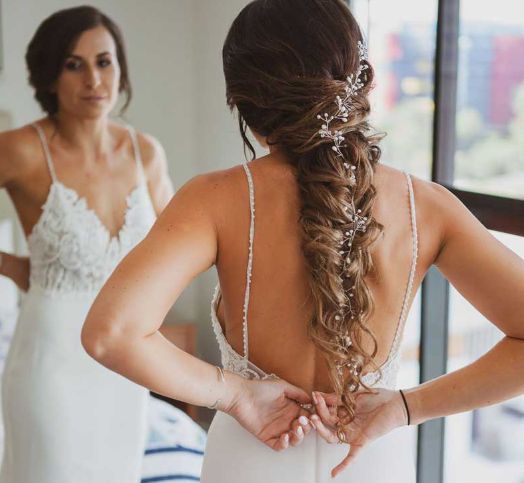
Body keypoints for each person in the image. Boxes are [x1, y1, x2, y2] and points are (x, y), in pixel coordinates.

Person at [81, 0, 524, 482]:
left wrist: (236, 394)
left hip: (249, 457)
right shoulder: (428, 207)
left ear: (241, 101)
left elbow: (112, 334)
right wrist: (404, 406)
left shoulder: (214, 200)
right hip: (370, 460)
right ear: (364, 82)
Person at [0, 6, 173, 483]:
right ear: (49, 76)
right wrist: (12, 266)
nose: (94, 79)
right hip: (49, 368)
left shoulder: (145, 153)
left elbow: (177, 248)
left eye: (104, 61)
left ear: (120, 68)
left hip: (124, 367)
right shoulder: (19, 148)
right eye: (74, 64)